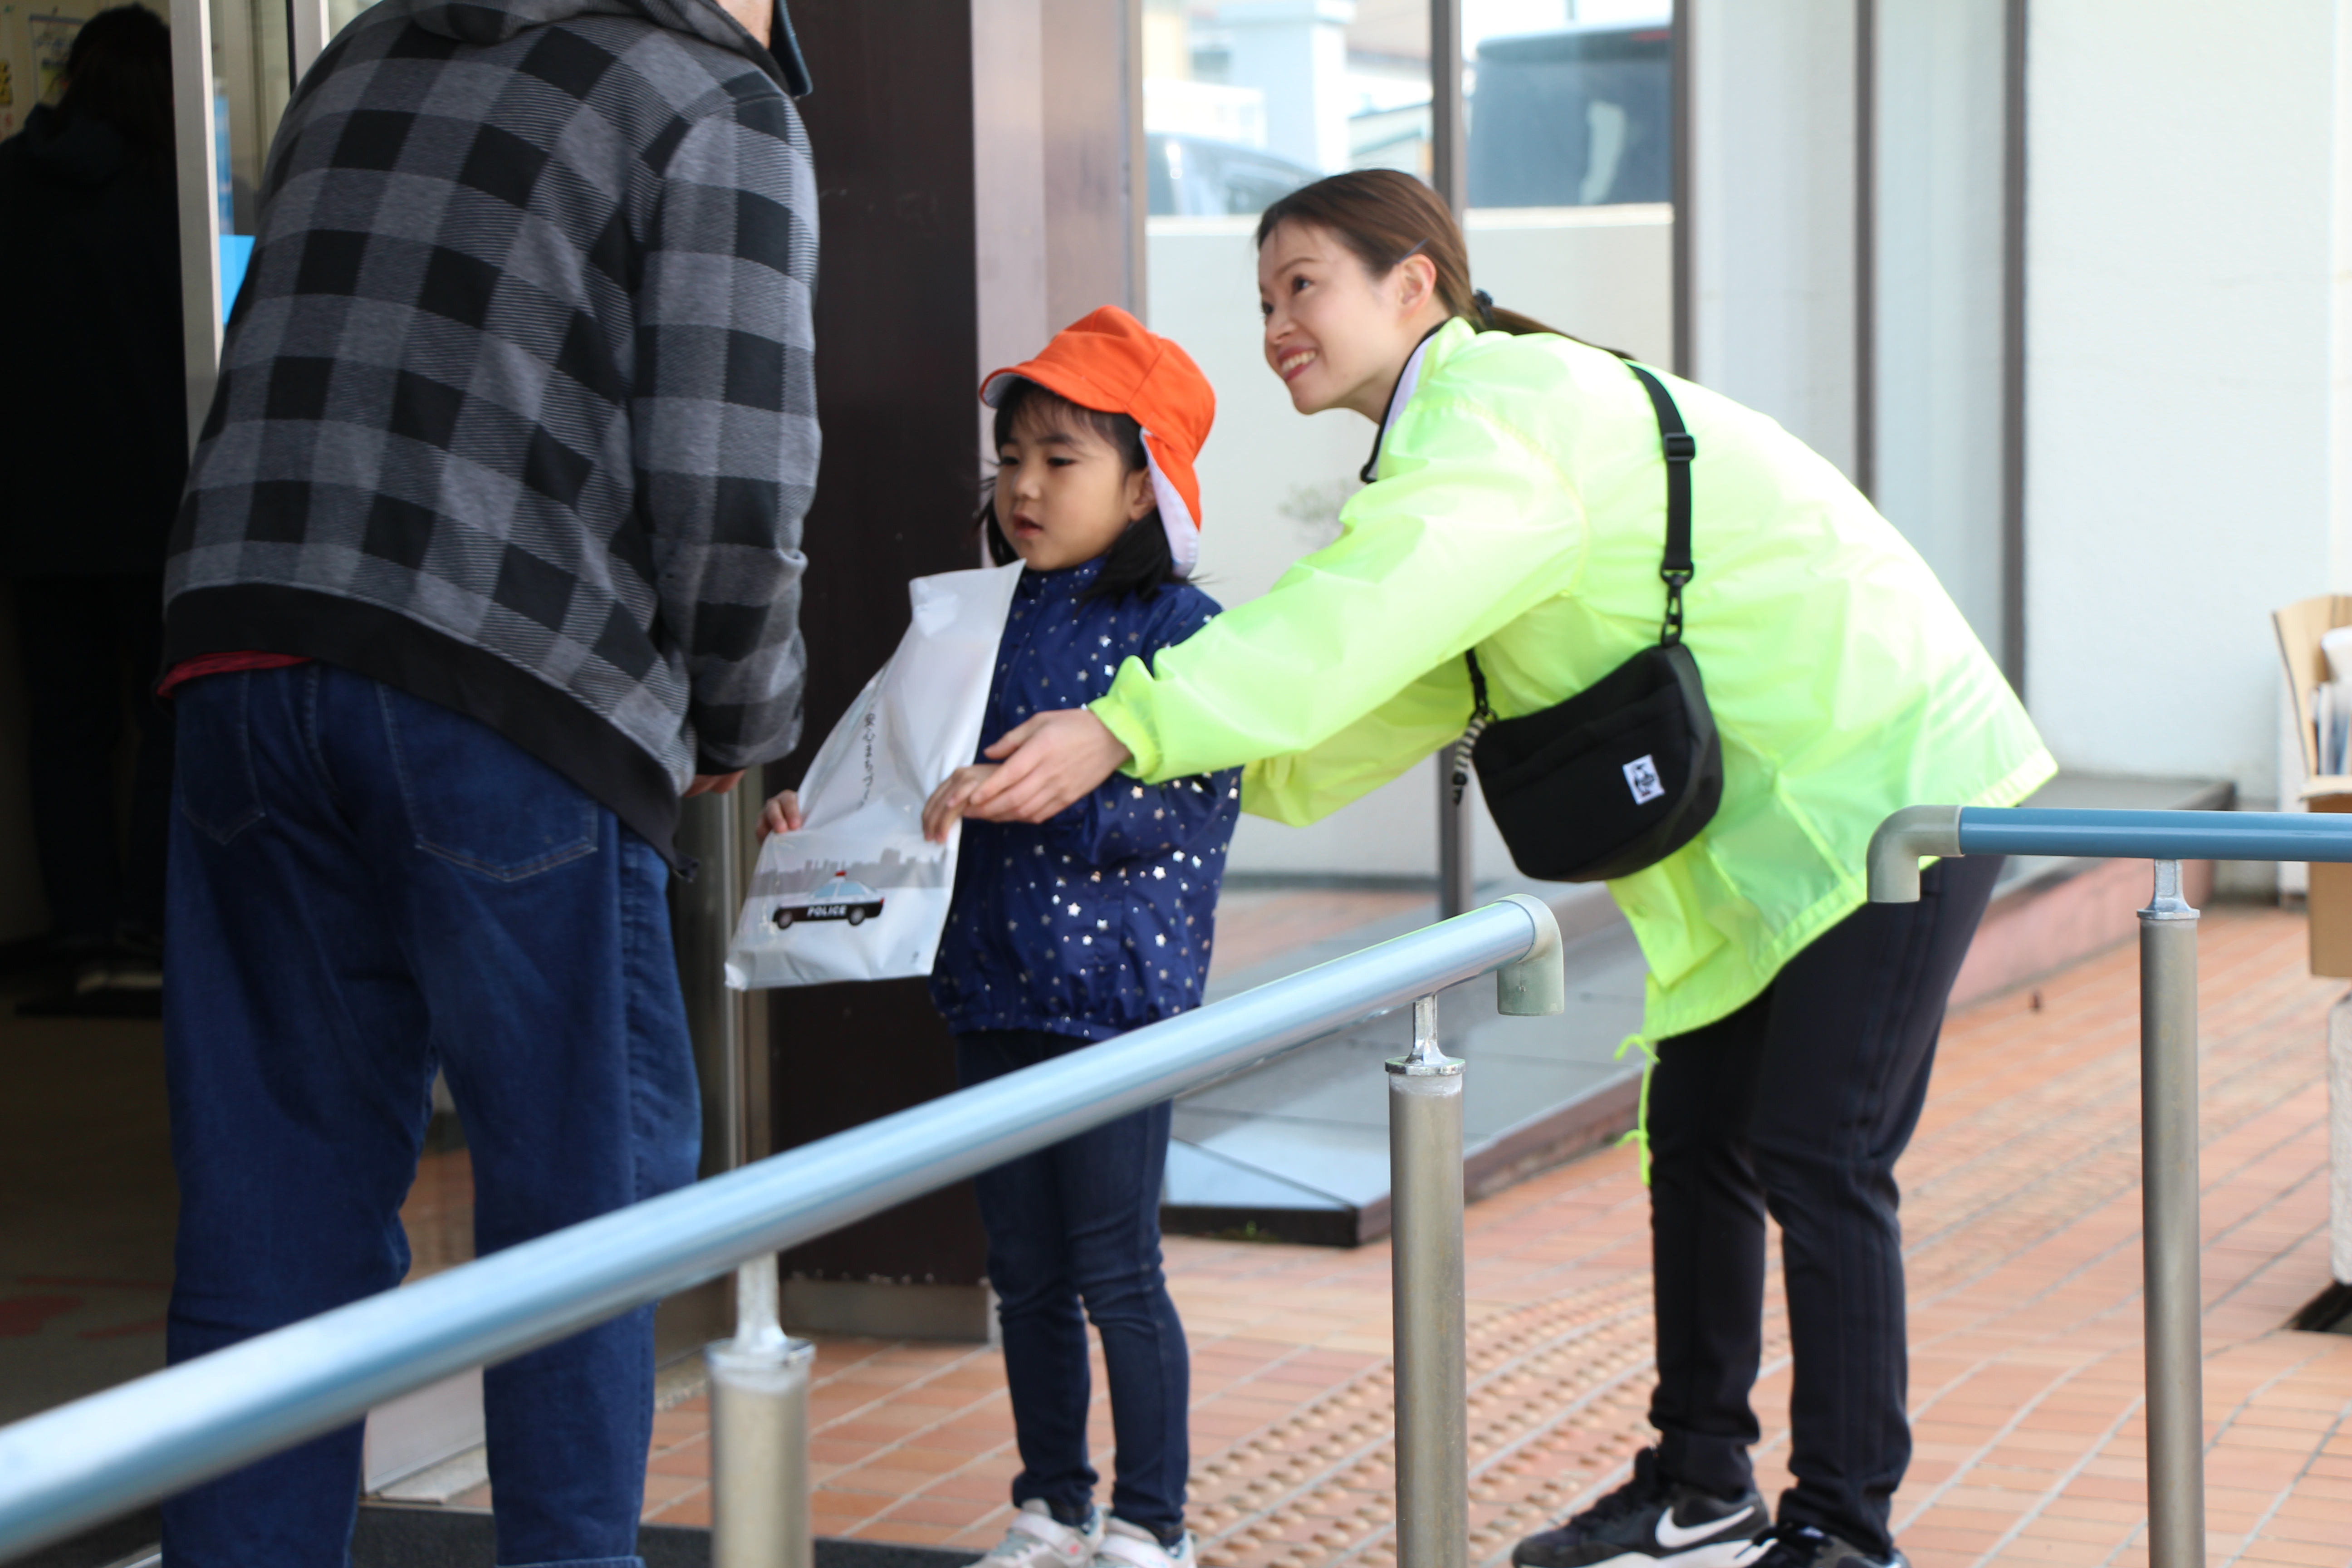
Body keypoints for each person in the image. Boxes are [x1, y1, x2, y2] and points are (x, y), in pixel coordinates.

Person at [962, 172, 2055, 1568]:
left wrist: (1134, 724)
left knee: (1816, 1150)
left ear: (1413, 283)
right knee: (1699, 1142)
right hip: (1773, 836)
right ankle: (1701, 1486)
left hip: (1887, 781)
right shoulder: (1448, 449)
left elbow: (1366, 612)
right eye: (1263, 298)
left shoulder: (1504, 414)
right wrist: (1185, 762)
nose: (1277, 324)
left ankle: (1845, 1528)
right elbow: (1412, 678)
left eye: (1304, 286)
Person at [155, 0, 816, 1560]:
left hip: (240, 661)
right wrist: (739, 717)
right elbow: (732, 486)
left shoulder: (369, 46)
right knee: (579, 1221)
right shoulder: (712, 102)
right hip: (514, 682)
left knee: (271, 1216)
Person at [762, 307, 1235, 1568]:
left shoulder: (1185, 632)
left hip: (1118, 1005)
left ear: (1143, 487)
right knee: (1023, 1269)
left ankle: (1153, 1524)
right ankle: (1052, 1507)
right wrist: (817, 816)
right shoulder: (972, 620)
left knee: (1117, 1269)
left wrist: (1047, 789)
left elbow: (1194, 803)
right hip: (989, 987)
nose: (1023, 485)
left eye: (1060, 460)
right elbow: (892, 766)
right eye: (1011, 458)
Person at [0, 5, 181, 972]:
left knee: (65, 730)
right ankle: (152, 920)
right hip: (159, 505)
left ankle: (77, 924)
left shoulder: (9, 187)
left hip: (37, 512)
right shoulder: (177, 200)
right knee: (169, 721)